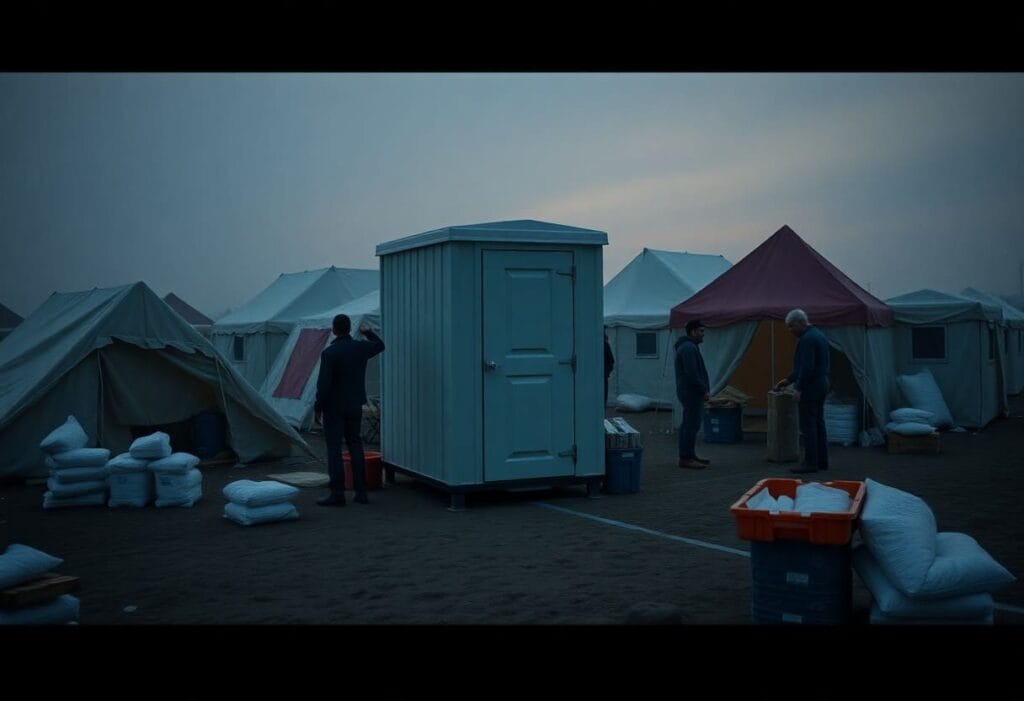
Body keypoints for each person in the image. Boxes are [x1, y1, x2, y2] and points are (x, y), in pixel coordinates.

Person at [314, 314, 385, 506]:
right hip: (354, 406)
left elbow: (323, 385)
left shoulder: (329, 353)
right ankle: (361, 492)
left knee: (334, 450)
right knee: (356, 447)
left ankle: (337, 493)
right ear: (349, 328)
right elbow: (380, 345)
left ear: (334, 330)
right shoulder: (360, 348)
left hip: (333, 408)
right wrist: (368, 331)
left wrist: (318, 407)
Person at [774, 308, 830, 474]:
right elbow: (805, 367)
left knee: (808, 426)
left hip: (811, 387)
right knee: (819, 423)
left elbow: (806, 367)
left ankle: (810, 463)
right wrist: (787, 380)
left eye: (791, 326)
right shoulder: (818, 335)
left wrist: (797, 388)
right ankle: (822, 461)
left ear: (800, 322)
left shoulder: (806, 339)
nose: (790, 331)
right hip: (822, 383)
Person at [674, 319, 711, 469]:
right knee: (690, 425)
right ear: (693, 331)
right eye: (701, 331)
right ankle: (686, 457)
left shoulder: (689, 347)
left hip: (690, 391)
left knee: (691, 424)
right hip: (691, 392)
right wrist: (703, 390)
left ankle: (690, 454)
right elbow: (692, 374)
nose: (703, 335)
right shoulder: (688, 348)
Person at [603, 332, 615, 405]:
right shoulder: (605, 345)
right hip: (603, 373)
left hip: (602, 373)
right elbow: (611, 360)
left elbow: (611, 361)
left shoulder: (604, 345)